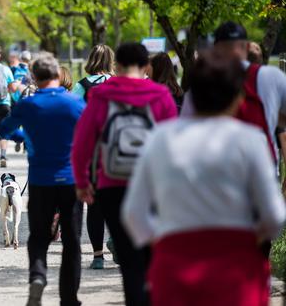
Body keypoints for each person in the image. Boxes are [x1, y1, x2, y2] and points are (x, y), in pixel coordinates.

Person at [122, 52, 286, 306]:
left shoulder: (161, 138)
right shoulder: (250, 140)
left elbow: (133, 212)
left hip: (174, 265)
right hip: (236, 268)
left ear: (192, 94)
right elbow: (274, 216)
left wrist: (161, 242)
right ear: (237, 98)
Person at [71, 42, 177, 306]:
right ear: (145, 67)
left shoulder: (101, 95)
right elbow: (174, 144)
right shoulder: (160, 95)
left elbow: (83, 141)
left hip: (111, 183)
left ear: (117, 65)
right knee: (151, 254)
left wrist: (83, 182)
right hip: (152, 186)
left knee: (129, 260)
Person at [0, 54, 86, 306]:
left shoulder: (29, 105)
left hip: (40, 181)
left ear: (35, 78)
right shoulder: (75, 103)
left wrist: (23, 137)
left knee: (38, 236)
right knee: (72, 241)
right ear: (58, 75)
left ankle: (38, 276)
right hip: (70, 180)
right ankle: (69, 299)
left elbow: (4, 129)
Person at [182, 21, 286, 160]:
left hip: (213, 167)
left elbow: (186, 128)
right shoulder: (272, 77)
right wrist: (271, 113)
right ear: (247, 46)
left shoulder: (202, 81)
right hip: (261, 162)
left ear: (215, 49)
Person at [72, 43, 115, 270]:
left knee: (94, 204)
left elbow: (72, 116)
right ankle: (117, 241)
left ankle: (98, 256)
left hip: (92, 152)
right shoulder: (120, 84)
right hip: (119, 150)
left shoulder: (82, 86)